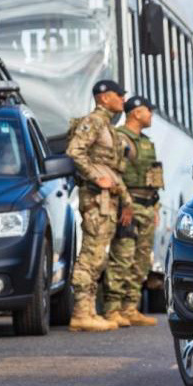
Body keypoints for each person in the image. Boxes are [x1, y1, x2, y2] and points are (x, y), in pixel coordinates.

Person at [65, 79, 133, 333]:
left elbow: (113, 170)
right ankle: (81, 312)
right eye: (119, 95)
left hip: (108, 200)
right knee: (90, 255)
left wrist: (125, 200)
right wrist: (95, 177)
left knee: (99, 256)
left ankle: (90, 311)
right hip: (95, 199)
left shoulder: (108, 126)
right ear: (104, 97)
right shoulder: (93, 121)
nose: (123, 99)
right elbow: (74, 152)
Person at [104, 96, 162, 327]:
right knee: (122, 257)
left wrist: (155, 206)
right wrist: (123, 204)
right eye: (149, 111)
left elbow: (153, 177)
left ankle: (130, 307)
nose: (151, 115)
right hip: (127, 206)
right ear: (136, 112)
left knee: (141, 261)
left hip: (147, 207)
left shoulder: (146, 142)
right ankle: (112, 309)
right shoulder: (120, 138)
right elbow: (115, 174)